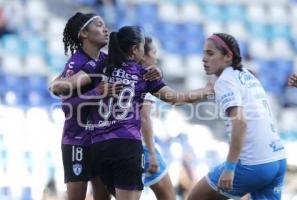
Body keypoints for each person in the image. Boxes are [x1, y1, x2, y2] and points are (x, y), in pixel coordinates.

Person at [66, 26, 213, 200]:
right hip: (127, 146)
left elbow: (65, 91)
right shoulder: (144, 75)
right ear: (135, 50)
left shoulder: (98, 66)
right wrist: (207, 90)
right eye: (142, 48)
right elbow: (176, 98)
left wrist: (95, 92)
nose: (144, 53)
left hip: (98, 148)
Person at [188, 33, 286, 200]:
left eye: (210, 54)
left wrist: (230, 167)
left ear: (228, 56)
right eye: (203, 53)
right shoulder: (248, 75)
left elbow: (240, 123)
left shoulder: (226, 80)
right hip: (277, 159)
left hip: (252, 164)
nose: (204, 59)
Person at [48, 12, 111, 200]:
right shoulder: (76, 64)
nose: (105, 29)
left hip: (99, 138)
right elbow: (66, 106)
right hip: (77, 139)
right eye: (99, 25)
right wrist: (96, 93)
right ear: (84, 33)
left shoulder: (104, 59)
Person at [140, 37, 176, 200]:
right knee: (169, 197)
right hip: (142, 146)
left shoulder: (123, 74)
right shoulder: (146, 77)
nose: (155, 56)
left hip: (118, 144)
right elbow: (144, 117)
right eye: (153, 52)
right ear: (143, 55)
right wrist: (152, 152)